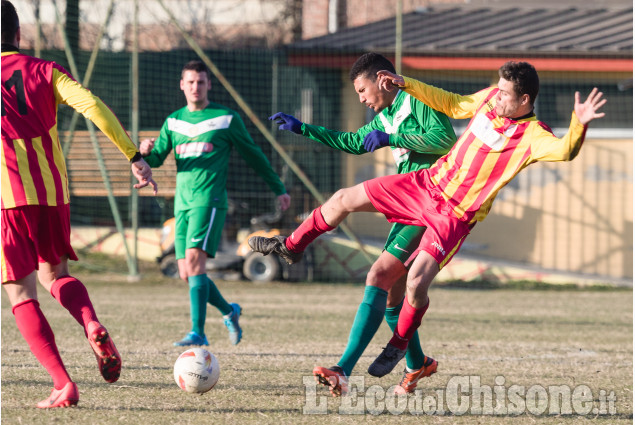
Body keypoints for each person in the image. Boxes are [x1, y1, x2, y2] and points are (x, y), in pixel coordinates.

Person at [250, 61, 606, 380]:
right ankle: (291, 247)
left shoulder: (533, 136)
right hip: (426, 185)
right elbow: (452, 102)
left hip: (453, 214)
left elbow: (565, 150)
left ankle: (398, 346)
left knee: (412, 284)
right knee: (345, 199)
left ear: (525, 100)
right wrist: (404, 82)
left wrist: (579, 124)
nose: (496, 99)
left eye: (505, 95)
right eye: (496, 91)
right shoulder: (483, 101)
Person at [268, 52, 456, 396]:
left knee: (379, 277)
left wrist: (393, 139)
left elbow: (445, 141)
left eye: (362, 90)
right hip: (408, 204)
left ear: (382, 79)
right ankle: (418, 364)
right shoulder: (385, 116)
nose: (362, 99)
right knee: (392, 296)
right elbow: (354, 142)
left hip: (433, 204)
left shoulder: (418, 99)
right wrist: (303, 129)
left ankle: (343, 369)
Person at [1, 0, 157, 409]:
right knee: (56, 276)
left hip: (8, 201)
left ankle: (63, 384)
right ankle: (90, 321)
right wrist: (133, 156)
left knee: (21, 294)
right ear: (18, 35)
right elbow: (94, 107)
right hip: (53, 195)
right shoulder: (46, 70)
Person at [140, 60, 290, 348]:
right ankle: (229, 311)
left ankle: (198, 332)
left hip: (208, 201)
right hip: (181, 204)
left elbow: (253, 154)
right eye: (191, 82)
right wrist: (145, 150)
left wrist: (278, 188)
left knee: (195, 264)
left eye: (201, 82)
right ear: (182, 85)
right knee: (186, 272)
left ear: (209, 85)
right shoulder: (173, 121)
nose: (196, 87)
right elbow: (157, 158)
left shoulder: (225, 118)